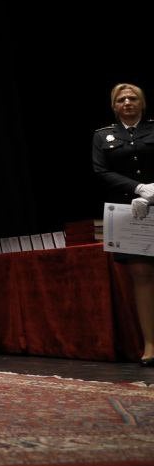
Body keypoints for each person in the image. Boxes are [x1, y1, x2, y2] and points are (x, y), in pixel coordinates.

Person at [92, 83, 154, 367]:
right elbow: (100, 170)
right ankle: (150, 343)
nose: (127, 102)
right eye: (121, 99)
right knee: (140, 275)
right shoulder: (103, 136)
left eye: (132, 98)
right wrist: (138, 187)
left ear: (141, 103)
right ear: (114, 106)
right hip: (129, 210)